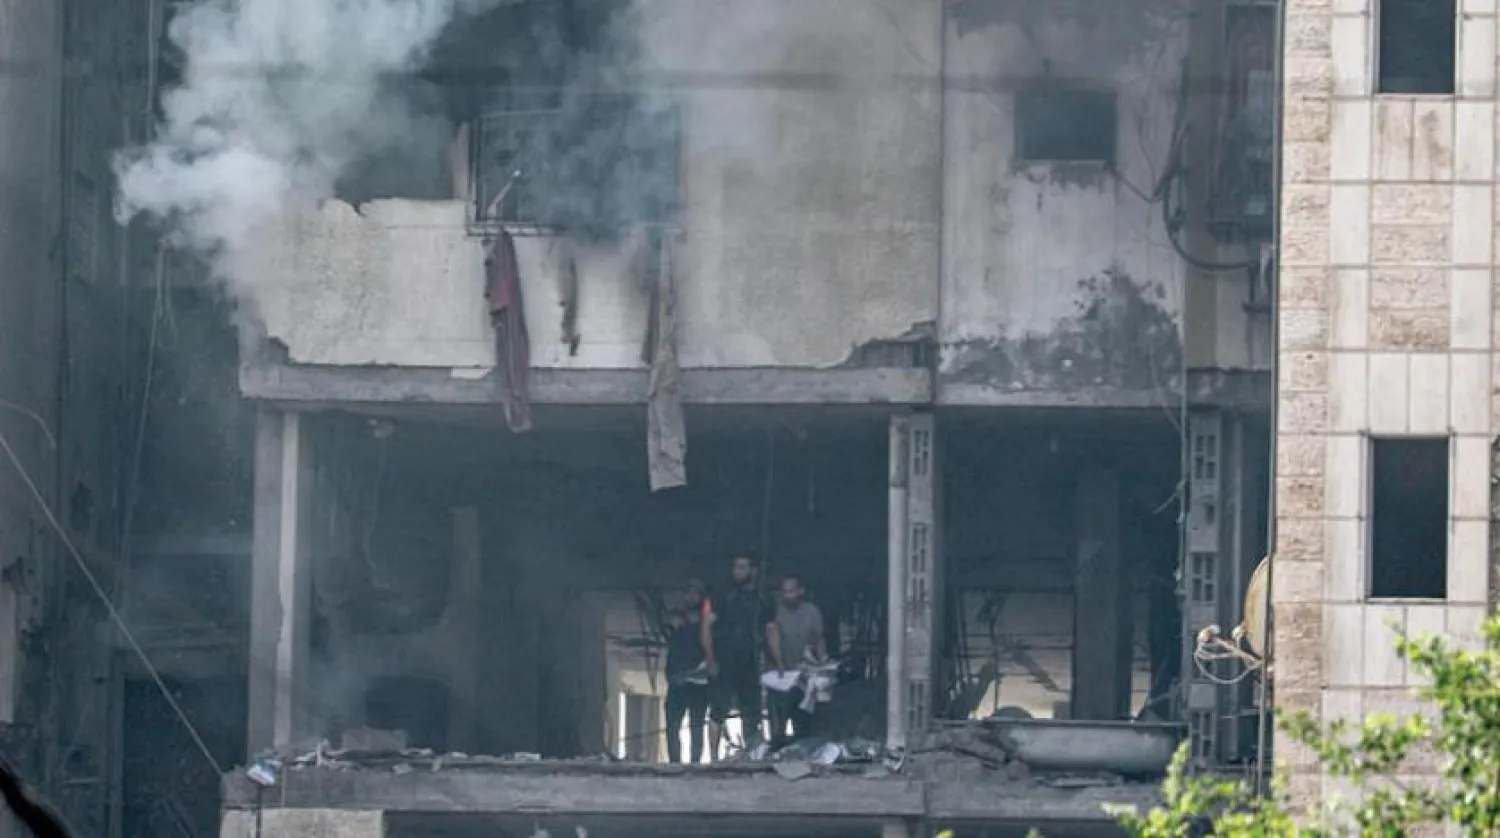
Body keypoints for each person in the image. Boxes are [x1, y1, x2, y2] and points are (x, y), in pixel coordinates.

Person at [701, 554, 773, 756]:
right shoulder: (723, 595)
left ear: (753, 571)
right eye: (736, 567)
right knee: (718, 709)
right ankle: (714, 758)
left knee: (751, 710)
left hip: (749, 661)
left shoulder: (762, 599)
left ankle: (749, 754)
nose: (738, 572)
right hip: (724, 660)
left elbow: (770, 631)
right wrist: (710, 659)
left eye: (742, 567)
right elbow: (706, 626)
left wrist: (775, 662)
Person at [764, 574, 826, 748]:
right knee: (778, 722)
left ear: (800, 591)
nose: (787, 595)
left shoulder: (811, 612)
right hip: (780, 676)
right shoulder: (775, 612)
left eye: (791, 591)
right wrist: (780, 664)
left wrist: (821, 663)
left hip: (804, 675)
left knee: (803, 719)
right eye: (784, 592)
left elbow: (818, 639)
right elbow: (770, 636)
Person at [663, 580, 709, 764]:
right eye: (688, 593)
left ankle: (695, 763)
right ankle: (675, 762)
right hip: (677, 678)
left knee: (696, 724)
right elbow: (670, 621)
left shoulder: (707, 622)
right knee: (673, 724)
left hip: (698, 680)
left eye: (695, 594)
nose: (690, 597)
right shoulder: (677, 618)